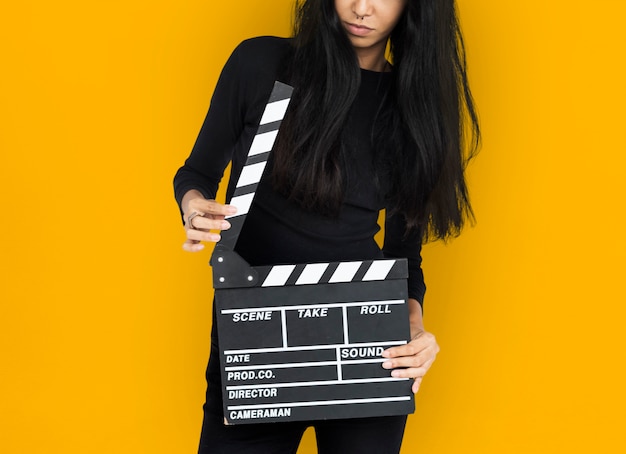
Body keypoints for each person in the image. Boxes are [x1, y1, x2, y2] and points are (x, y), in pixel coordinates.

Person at [174, 0, 479, 452]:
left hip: (368, 340)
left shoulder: (410, 102)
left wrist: (414, 326)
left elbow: (404, 250)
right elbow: (196, 173)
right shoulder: (261, 64)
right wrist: (195, 207)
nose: (361, 8)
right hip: (256, 337)